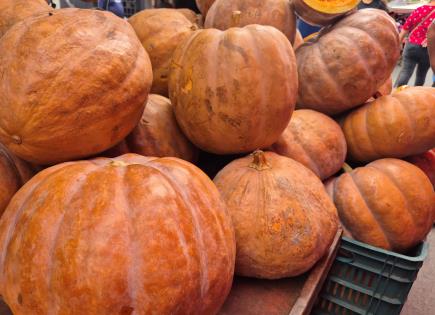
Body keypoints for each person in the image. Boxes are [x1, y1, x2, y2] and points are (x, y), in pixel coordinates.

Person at [394, 1, 435, 87]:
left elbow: (405, 29)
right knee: (421, 75)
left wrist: (397, 45)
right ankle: (416, 94)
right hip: (428, 48)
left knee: (406, 71)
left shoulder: (419, 9)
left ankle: (396, 92)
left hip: (412, 44)